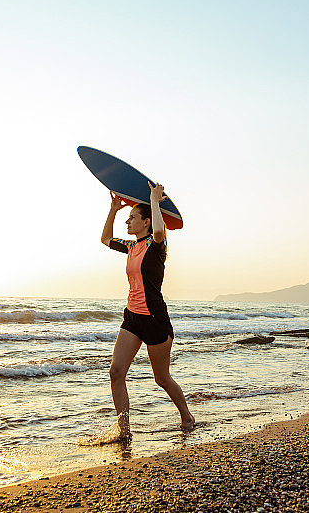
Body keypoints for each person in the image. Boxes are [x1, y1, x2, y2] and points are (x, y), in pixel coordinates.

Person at [100, 181, 195, 437]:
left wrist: (154, 201)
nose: (127, 222)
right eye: (127, 218)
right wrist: (114, 209)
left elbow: (160, 233)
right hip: (132, 318)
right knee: (116, 372)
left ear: (146, 222)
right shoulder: (131, 247)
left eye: (132, 218)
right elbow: (105, 239)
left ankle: (187, 416)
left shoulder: (156, 247)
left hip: (154, 320)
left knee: (161, 378)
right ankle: (124, 430)